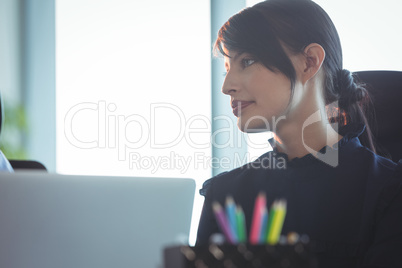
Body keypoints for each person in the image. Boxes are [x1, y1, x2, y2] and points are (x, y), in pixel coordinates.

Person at [196, 0, 402, 267]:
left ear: (309, 62)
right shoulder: (224, 194)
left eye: (246, 61)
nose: (227, 86)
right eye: (226, 69)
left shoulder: (389, 192)